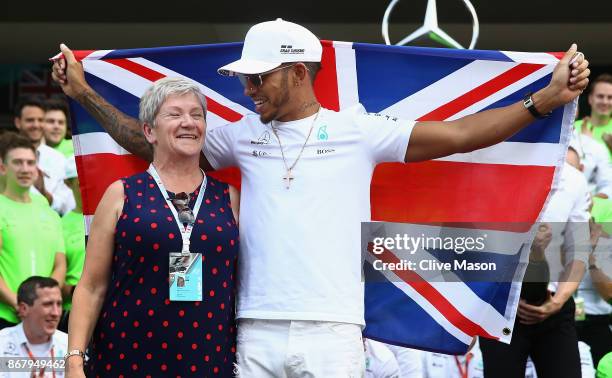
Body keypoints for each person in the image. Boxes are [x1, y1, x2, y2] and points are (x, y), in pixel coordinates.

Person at [52, 19, 589, 376]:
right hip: (249, 331)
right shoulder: (240, 133)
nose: (248, 89)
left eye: (258, 78)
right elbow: (146, 137)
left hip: (334, 333)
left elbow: (461, 135)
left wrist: (546, 99)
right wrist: (82, 93)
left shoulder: (358, 131)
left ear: (297, 73)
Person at [64, 77, 239, 377]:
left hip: (209, 361)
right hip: (127, 358)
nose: (189, 122)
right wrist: (75, 360)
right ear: (148, 130)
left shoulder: (230, 198)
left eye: (197, 115)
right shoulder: (121, 194)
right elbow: (91, 286)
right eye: (174, 114)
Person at [480, 143, 590, 377]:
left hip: (553, 304)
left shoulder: (574, 180)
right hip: (499, 305)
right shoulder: (495, 168)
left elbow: (578, 252)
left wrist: (557, 302)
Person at [0, 133, 66, 330]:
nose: (25, 169)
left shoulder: (47, 210)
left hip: (44, 320)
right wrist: (20, 305)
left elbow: (60, 264)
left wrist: (45, 305)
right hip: (7, 318)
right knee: (10, 363)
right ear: (3, 167)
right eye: (18, 162)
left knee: (48, 363)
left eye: (30, 163)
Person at [13, 97, 74, 215]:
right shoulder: (4, 156)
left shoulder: (58, 159)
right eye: (30, 120)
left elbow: (65, 206)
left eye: (40, 120)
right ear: (18, 122)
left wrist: (43, 191)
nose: (36, 125)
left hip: (46, 226)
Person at [0, 276, 67, 378]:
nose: (56, 313)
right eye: (47, 304)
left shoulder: (70, 345)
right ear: (23, 309)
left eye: (59, 304)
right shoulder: (2, 343)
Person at [57, 157, 84, 332]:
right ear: (68, 183)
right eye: (80, 180)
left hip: (111, 308)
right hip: (72, 312)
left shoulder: (115, 216)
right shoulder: (59, 224)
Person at [575, 74, 612, 157]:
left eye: (610, 97)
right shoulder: (573, 128)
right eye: (600, 96)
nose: (605, 102)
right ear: (590, 99)